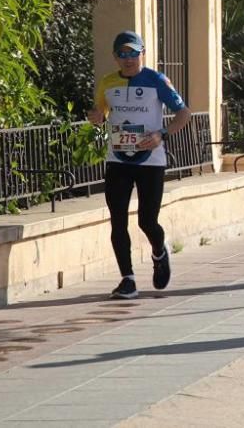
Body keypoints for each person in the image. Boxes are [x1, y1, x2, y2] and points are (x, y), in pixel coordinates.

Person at [88, 30, 191, 300]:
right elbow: (99, 114)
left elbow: (184, 112)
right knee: (118, 220)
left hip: (150, 161)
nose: (128, 59)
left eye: (133, 52)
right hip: (118, 159)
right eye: (122, 54)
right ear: (115, 57)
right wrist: (96, 117)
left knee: (147, 220)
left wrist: (162, 134)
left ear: (142, 52)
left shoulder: (156, 80)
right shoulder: (107, 83)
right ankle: (128, 279)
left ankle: (159, 251)